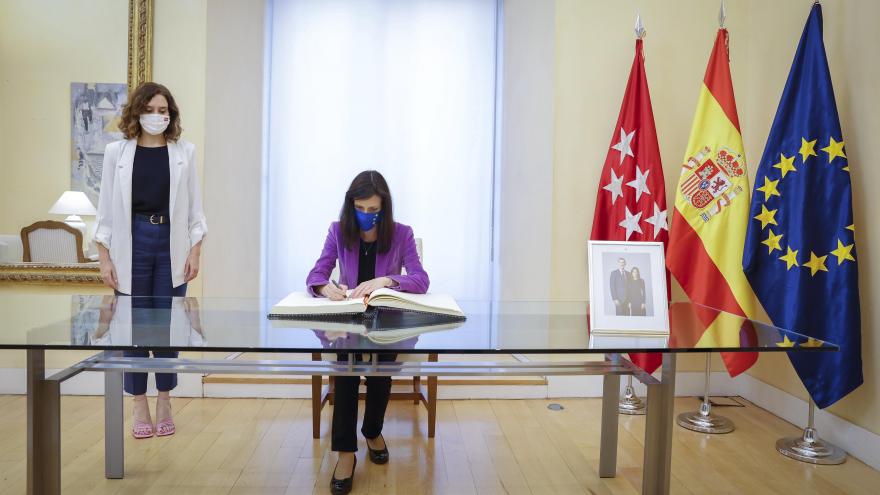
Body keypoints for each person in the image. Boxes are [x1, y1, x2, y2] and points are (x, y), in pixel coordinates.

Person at [93, 82, 207, 439]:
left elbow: (194, 209)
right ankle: (138, 402)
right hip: (133, 242)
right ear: (137, 112)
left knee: (167, 325)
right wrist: (104, 258)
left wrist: (194, 249)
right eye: (151, 110)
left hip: (170, 242)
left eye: (164, 111)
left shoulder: (184, 152)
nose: (158, 117)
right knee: (133, 326)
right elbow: (106, 211)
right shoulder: (117, 152)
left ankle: (164, 398)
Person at [306, 170, 428, 495]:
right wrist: (324, 286)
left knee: (380, 373)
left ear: (384, 209)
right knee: (344, 373)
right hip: (348, 322)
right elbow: (317, 271)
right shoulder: (337, 230)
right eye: (361, 208)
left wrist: (388, 280)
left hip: (387, 322)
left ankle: (372, 430)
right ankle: (346, 454)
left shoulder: (402, 234)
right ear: (351, 205)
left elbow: (420, 279)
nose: (367, 216)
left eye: (374, 210)